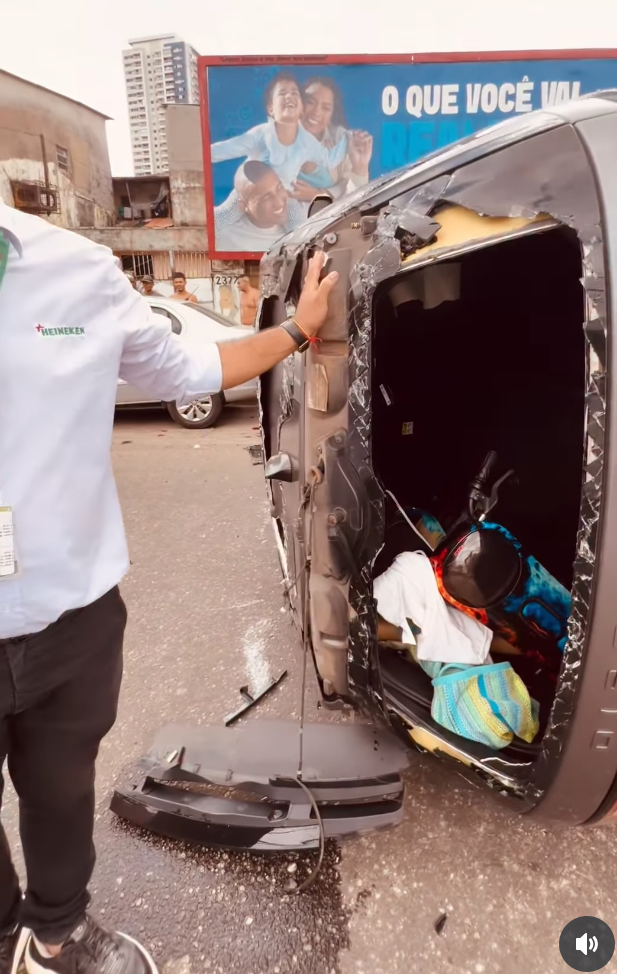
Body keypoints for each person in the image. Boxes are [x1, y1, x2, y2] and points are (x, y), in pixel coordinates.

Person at [0, 200, 337, 974]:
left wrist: (298, 329)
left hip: (70, 614)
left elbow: (191, 369)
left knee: (61, 790)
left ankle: (56, 932)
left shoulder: (76, 270)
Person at [210, 73, 347, 196]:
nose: (289, 96)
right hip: (249, 197)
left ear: (301, 109)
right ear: (271, 109)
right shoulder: (261, 134)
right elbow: (224, 149)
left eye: (294, 93)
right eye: (282, 93)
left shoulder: (307, 142)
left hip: (280, 202)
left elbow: (329, 160)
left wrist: (348, 138)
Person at [293, 76, 374, 202]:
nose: (316, 112)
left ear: (332, 114)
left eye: (325, 108)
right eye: (310, 102)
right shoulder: (274, 137)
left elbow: (355, 202)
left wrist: (360, 166)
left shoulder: (342, 142)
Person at [215, 161, 291, 253]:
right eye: (266, 197)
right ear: (243, 205)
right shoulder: (229, 241)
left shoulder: (298, 227)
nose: (279, 203)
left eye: (279, 188)